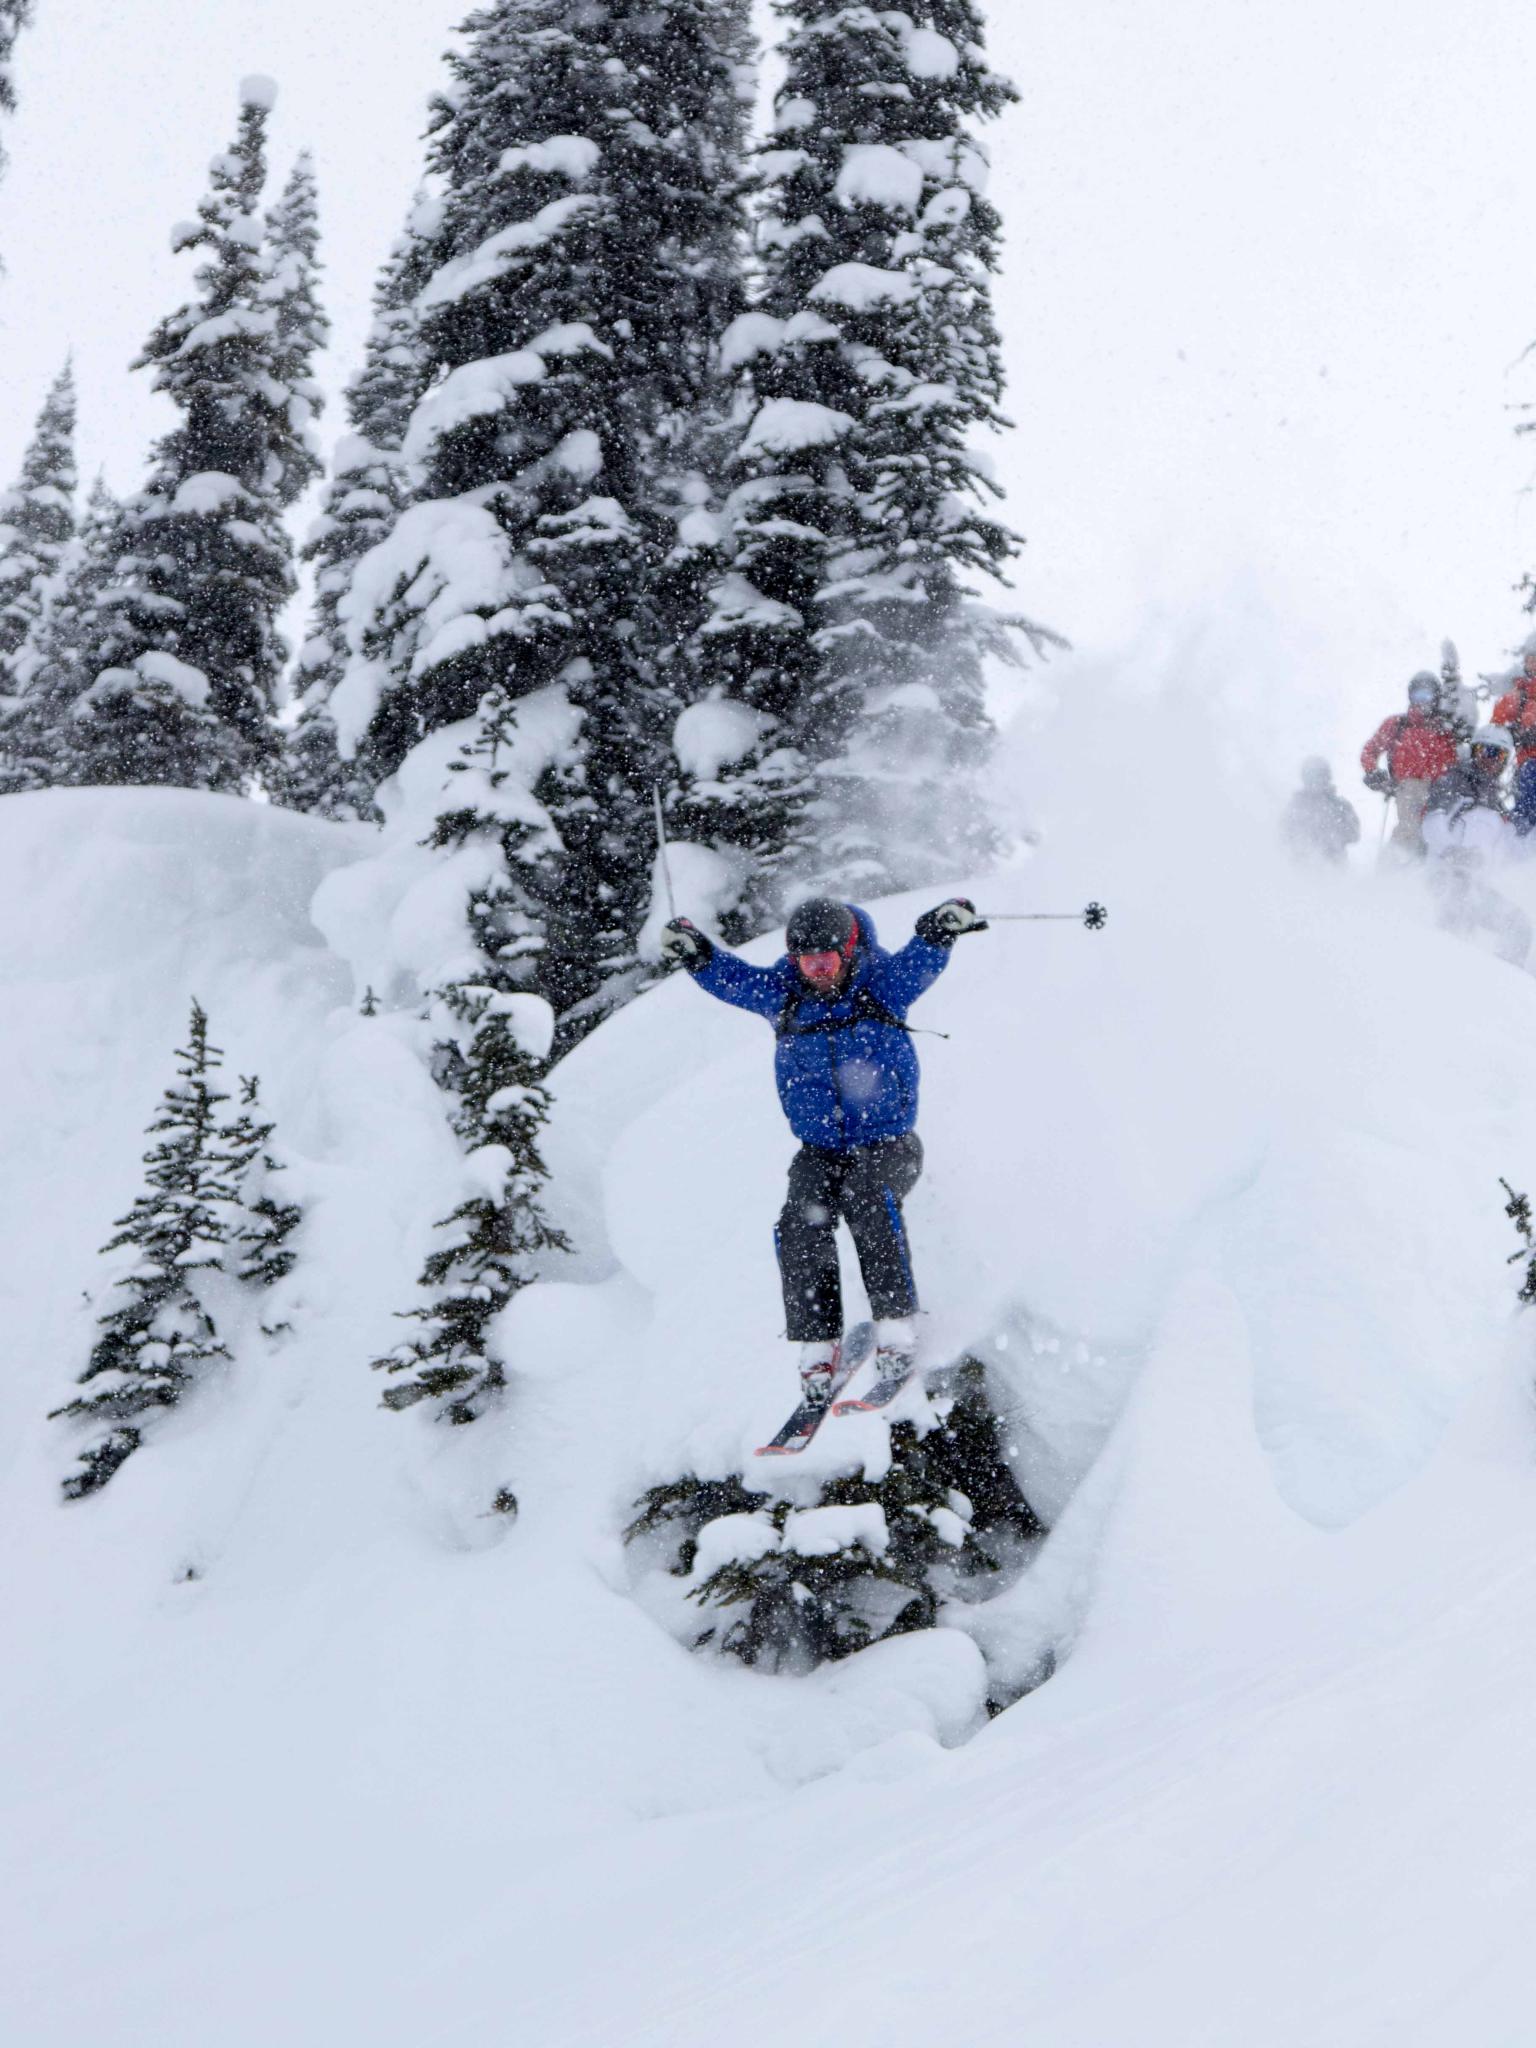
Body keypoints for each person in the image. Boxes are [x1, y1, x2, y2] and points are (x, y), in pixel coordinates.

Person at [659, 894, 985, 1400]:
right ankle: (817, 1345)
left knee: (868, 1201)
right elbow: (733, 980)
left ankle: (896, 1327)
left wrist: (939, 929)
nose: (817, 973)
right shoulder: (783, 996)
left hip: (889, 1143)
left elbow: (919, 961)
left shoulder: (881, 986)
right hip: (821, 1151)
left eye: (826, 961)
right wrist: (697, 953)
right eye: (806, 962)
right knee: (799, 1223)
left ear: (849, 952)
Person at [1422, 726, 1530, 967]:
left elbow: (1506, 852)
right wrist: (1452, 852)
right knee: (1459, 913)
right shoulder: (1453, 783)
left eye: (1498, 754)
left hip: (1478, 887)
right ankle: (1443, 964)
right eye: (1485, 751)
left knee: (1518, 924)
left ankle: (1506, 976)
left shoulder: (1498, 803)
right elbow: (1431, 824)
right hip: (1446, 878)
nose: (1491, 760)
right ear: (1473, 752)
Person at [1359, 672, 1459, 856]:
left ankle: (1428, 862)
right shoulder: (1398, 725)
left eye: (1427, 696)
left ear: (1436, 698)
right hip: (1409, 786)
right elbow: (1370, 750)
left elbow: (1455, 759)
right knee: (1410, 828)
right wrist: (1373, 771)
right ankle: (1397, 862)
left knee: (1436, 829)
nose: (1422, 702)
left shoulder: (1443, 730)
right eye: (1418, 696)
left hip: (1439, 789)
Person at [1491, 645, 1536, 834]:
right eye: (1531, 660)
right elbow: (1496, 728)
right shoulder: (1517, 696)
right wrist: (1515, 733)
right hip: (1526, 764)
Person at [1281, 757, 1359, 865]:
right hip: (1303, 865)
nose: (1317, 782)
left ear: (1328, 778)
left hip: (1334, 865)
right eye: (1312, 778)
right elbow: (1283, 836)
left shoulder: (1340, 806)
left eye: (1321, 776)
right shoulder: (1295, 807)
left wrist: (1333, 837)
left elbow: (1354, 835)